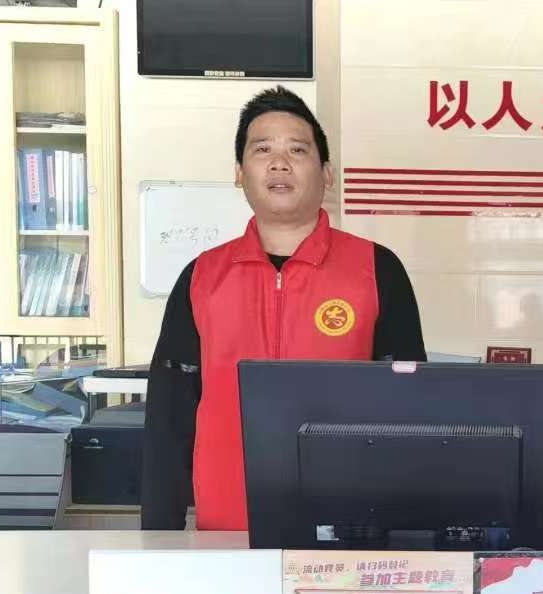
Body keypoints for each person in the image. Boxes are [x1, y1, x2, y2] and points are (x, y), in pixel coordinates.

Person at [141, 86, 426, 531]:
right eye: (262, 150)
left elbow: (411, 414)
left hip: (348, 530)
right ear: (240, 173)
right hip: (228, 529)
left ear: (326, 174)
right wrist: (159, 537)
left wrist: (408, 532)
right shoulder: (201, 278)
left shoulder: (376, 270)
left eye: (297, 149)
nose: (279, 163)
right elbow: (169, 419)